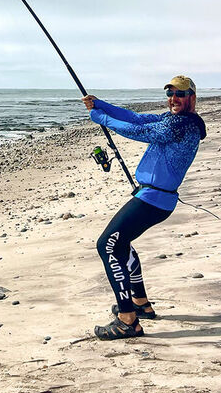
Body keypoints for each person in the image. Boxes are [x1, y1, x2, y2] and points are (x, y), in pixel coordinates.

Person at [82, 75, 207, 340]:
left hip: (155, 200)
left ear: (192, 98)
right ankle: (140, 303)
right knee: (121, 242)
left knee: (107, 245)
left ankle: (127, 321)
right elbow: (135, 118)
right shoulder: (171, 119)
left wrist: (101, 118)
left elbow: (139, 132)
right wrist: (101, 104)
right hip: (152, 196)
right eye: (170, 94)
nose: (174, 99)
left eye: (180, 94)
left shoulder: (184, 125)